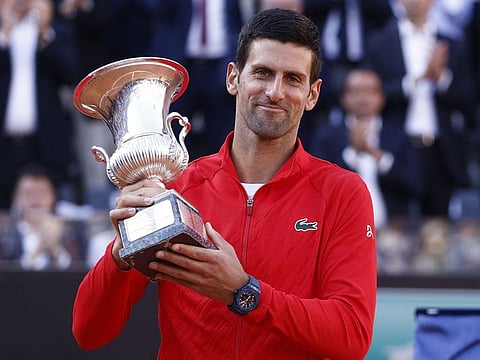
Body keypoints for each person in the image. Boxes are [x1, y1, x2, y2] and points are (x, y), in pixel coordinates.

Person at [72, 8, 377, 359]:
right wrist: (120, 253)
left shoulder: (342, 192)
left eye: (293, 79)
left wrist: (243, 292)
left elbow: (351, 336)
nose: (275, 92)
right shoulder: (177, 189)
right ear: (233, 77)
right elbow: (89, 331)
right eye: (262, 73)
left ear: (312, 94)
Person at [363, 0, 476, 219]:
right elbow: (372, 92)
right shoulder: (380, 42)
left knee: (438, 226)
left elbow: (467, 97)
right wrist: (417, 81)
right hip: (395, 145)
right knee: (397, 221)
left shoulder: (451, 43)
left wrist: (441, 78)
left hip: (440, 147)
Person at [310, 67, 420, 230]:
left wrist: (376, 155)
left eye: (370, 91)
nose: (363, 98)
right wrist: (352, 154)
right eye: (356, 91)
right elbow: (318, 185)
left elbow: (415, 185)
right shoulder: (327, 136)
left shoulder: (399, 136)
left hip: (394, 231)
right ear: (344, 98)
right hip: (340, 229)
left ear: (382, 97)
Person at [0, 0, 82, 209]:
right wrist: (5, 33)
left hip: (44, 141)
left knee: (48, 204)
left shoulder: (55, 32)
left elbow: (71, 74)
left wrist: (44, 31)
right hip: (5, 144)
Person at [0, 164, 87, 270]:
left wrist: (55, 248)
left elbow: (79, 273)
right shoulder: (5, 235)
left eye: (42, 192)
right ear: (16, 199)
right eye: (29, 193)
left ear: (53, 197)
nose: (35, 200)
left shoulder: (70, 232)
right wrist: (39, 249)